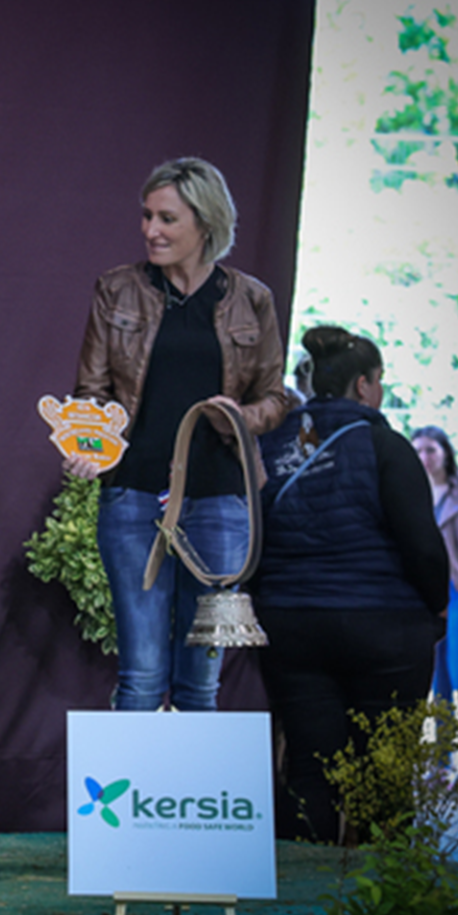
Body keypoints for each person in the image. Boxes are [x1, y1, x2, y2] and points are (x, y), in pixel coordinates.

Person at [66, 158, 292, 711]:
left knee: (201, 682)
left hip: (221, 500)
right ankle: (134, 796)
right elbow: (90, 392)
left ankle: (191, 797)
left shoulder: (251, 298)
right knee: (141, 673)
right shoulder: (116, 290)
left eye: (167, 218)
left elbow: (276, 400)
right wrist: (88, 447)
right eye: (146, 216)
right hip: (132, 494)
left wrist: (237, 416)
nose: (151, 230)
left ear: (206, 223)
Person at [253, 327, 448, 843]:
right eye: (379, 381)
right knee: (385, 777)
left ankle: (298, 904)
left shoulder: (270, 445)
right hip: (383, 626)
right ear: (364, 385)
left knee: (307, 771)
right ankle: (376, 903)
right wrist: (437, 608)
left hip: (289, 624)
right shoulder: (385, 445)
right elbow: (423, 546)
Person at [412, 425, 458, 710]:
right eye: (418, 451)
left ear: (445, 453)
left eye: (430, 450)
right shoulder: (412, 491)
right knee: (436, 682)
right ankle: (440, 754)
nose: (425, 457)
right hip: (426, 592)